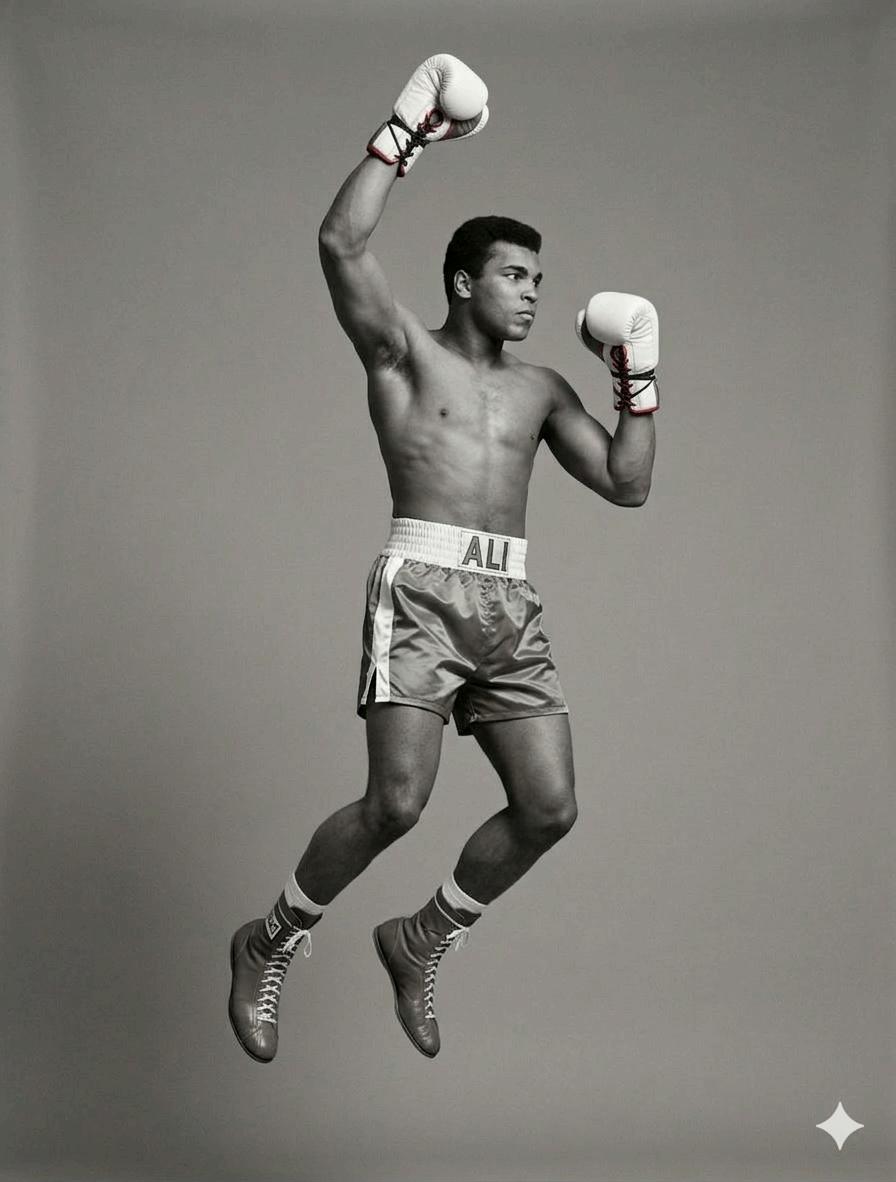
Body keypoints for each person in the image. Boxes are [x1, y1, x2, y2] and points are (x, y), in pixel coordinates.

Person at [228, 54, 658, 1063]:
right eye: (514, 276)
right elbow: (340, 242)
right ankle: (269, 939)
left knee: (549, 807)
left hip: (507, 599)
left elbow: (627, 483)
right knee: (397, 804)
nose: (532, 294)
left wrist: (638, 380)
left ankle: (420, 938)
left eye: (539, 280)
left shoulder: (544, 388)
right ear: (465, 282)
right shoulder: (401, 353)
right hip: (420, 589)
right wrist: (404, 131)